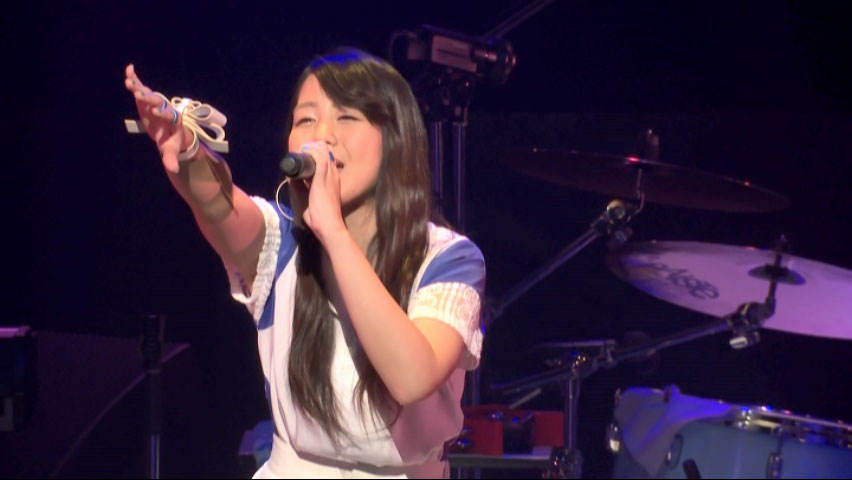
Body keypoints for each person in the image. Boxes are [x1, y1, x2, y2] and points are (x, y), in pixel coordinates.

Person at [123, 47, 486, 478]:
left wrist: (334, 232)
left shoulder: (447, 258)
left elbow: (412, 378)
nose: (322, 136)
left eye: (347, 117)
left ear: (394, 138)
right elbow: (218, 205)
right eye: (306, 120)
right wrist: (186, 151)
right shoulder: (281, 240)